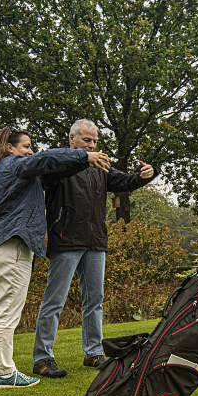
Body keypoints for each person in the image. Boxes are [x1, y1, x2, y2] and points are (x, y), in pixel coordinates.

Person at [0, 127, 111, 388]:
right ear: (9, 148)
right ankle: (3, 371)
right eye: (26, 146)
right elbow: (44, 160)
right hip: (10, 247)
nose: (30, 151)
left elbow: (44, 165)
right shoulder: (15, 164)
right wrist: (83, 157)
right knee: (5, 311)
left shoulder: (1, 170)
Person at [32, 119, 155, 378]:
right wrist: (81, 159)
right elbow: (46, 170)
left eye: (95, 141)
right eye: (87, 140)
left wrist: (144, 176)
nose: (92, 145)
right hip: (65, 240)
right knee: (55, 300)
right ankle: (43, 358)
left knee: (95, 301)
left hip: (96, 242)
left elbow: (124, 180)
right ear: (72, 140)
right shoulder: (59, 164)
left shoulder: (100, 166)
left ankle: (94, 353)